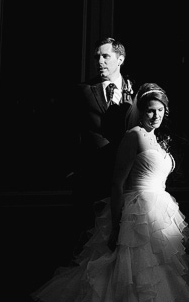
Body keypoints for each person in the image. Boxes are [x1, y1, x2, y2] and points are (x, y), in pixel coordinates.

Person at [33, 83, 189, 302]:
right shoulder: (133, 136)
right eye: (150, 110)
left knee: (161, 270)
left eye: (160, 110)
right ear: (140, 111)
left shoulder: (159, 140)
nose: (155, 115)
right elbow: (117, 184)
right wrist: (116, 225)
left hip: (161, 212)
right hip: (136, 211)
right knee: (128, 272)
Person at [72, 37, 135, 239]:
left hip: (127, 176)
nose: (100, 61)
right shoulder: (84, 91)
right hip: (93, 177)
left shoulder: (135, 90)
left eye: (105, 56)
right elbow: (73, 130)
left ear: (120, 59)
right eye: (97, 57)